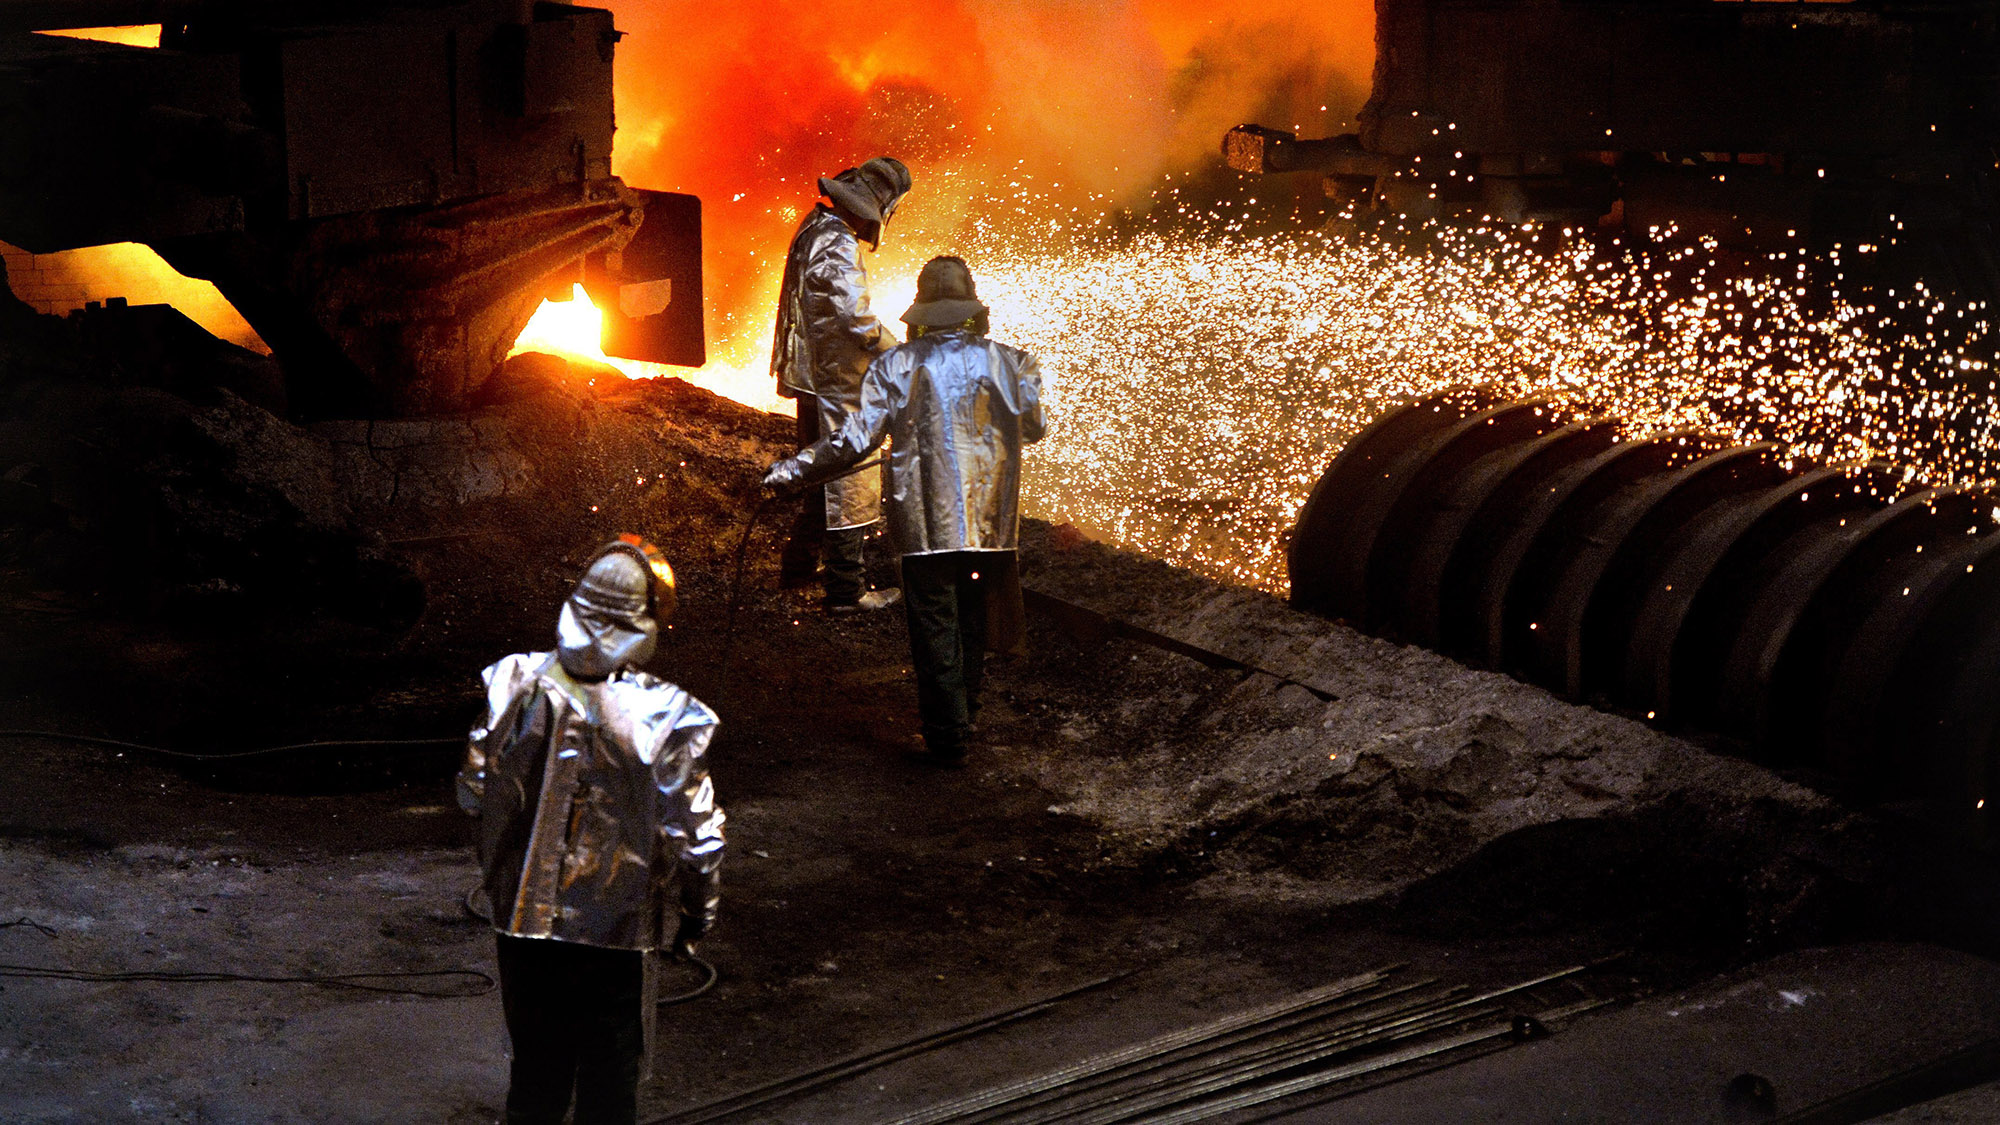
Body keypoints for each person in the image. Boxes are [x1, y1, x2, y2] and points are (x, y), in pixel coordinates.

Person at [457, 537, 725, 1125]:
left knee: (535, 1075)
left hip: (520, 922)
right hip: (617, 934)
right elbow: (699, 841)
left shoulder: (510, 681)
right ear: (645, 621)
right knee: (609, 1081)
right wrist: (696, 917)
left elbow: (471, 791)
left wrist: (509, 861)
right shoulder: (668, 717)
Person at [763, 257, 1046, 765]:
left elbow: (854, 439)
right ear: (972, 311)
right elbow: (1034, 428)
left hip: (925, 525)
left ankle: (947, 736)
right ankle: (967, 715)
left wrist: (794, 470)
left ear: (920, 313)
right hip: (990, 526)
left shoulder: (895, 365)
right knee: (973, 618)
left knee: (935, 621)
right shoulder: (1014, 361)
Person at [770, 155, 913, 613]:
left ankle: (796, 569)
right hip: (833, 383)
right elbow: (854, 317)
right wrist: (893, 349)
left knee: (819, 473)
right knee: (850, 476)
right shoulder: (835, 242)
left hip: (812, 377)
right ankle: (846, 593)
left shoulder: (814, 225)